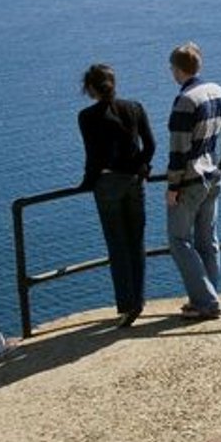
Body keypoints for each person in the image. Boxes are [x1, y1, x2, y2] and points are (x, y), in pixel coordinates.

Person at [164, 41, 221, 320]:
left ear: (177, 69)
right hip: (213, 175)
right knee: (207, 240)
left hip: (189, 181)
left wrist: (173, 186)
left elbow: (178, 150)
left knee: (178, 240)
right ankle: (206, 297)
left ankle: (207, 302)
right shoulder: (217, 92)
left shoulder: (186, 101)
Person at [76, 63, 156, 328]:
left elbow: (94, 157)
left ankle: (126, 305)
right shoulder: (135, 107)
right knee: (137, 242)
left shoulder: (86, 117)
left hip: (107, 184)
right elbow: (151, 145)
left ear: (89, 89)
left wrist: (87, 183)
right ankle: (139, 301)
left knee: (117, 244)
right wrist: (141, 166)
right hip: (135, 182)